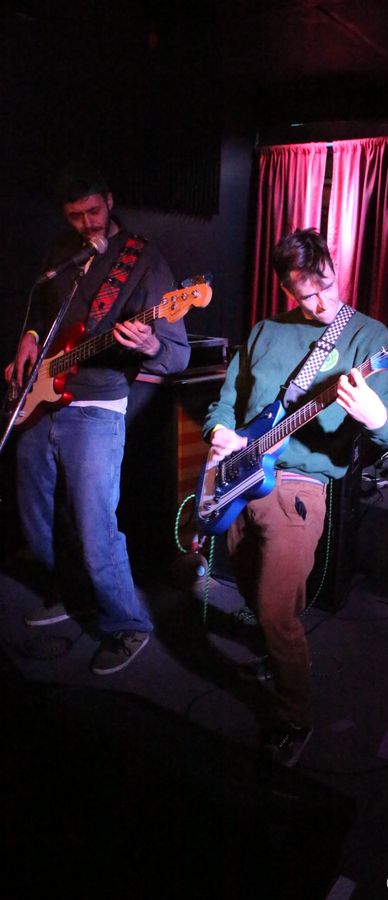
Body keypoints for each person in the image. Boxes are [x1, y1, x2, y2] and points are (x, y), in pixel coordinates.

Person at [202, 228, 388, 765]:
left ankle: (295, 718)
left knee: (276, 610)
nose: (320, 303)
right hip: (241, 474)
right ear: (285, 288)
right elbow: (226, 401)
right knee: (250, 586)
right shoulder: (265, 330)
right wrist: (220, 433)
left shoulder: (368, 336)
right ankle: (276, 652)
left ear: (334, 269)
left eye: (326, 287)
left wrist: (376, 415)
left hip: (300, 486)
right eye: (305, 294)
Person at [3, 164, 190, 674]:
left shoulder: (144, 261)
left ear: (109, 200)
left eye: (93, 211)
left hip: (99, 408)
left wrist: (149, 344)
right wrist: (29, 338)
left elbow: (177, 356)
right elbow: (43, 311)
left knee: (94, 524)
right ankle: (73, 593)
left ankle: (129, 622)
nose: (86, 223)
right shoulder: (62, 251)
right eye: (74, 215)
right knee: (35, 510)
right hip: (44, 398)